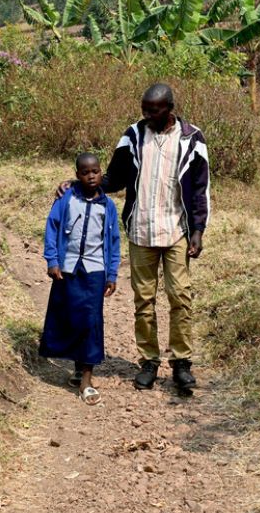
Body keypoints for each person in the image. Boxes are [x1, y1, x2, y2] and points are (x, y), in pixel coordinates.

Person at [58, 83, 210, 391]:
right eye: (144, 109)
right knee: (144, 300)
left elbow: (199, 190)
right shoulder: (133, 135)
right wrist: (76, 185)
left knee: (180, 297)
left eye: (153, 111)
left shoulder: (192, 139)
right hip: (140, 231)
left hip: (176, 231)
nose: (147, 115)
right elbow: (112, 178)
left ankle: (181, 363)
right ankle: (149, 362)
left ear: (169, 109)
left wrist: (197, 230)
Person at [40, 152, 121, 405]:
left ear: (101, 172)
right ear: (77, 175)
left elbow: (114, 242)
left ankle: (87, 379)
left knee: (91, 321)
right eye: (85, 173)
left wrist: (112, 274)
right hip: (68, 268)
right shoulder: (66, 199)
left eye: (95, 171)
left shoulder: (108, 206)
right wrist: (52, 260)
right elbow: (52, 228)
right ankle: (77, 369)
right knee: (70, 318)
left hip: (95, 270)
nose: (91, 176)